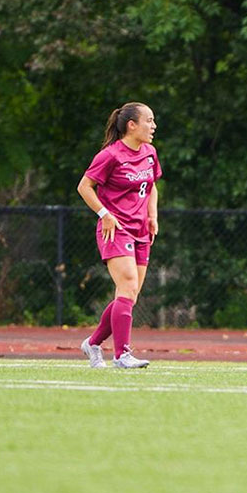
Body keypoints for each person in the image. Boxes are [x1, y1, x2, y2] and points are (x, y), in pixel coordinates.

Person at [76, 102, 162, 369]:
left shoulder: (149, 152)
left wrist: (152, 216)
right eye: (149, 120)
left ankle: (92, 343)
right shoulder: (110, 155)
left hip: (140, 230)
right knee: (127, 285)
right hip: (115, 228)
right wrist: (105, 214)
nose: (154, 126)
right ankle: (122, 355)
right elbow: (84, 187)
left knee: (130, 294)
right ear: (131, 125)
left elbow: (152, 187)